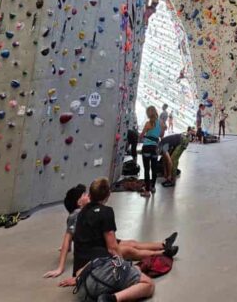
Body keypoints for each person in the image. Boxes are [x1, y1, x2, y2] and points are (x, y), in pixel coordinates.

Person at [44, 183, 178, 279]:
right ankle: (163, 253)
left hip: (100, 241)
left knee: (131, 243)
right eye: (84, 195)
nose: (87, 195)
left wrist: (66, 250)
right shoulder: (75, 215)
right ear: (79, 202)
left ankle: (163, 244)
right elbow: (67, 239)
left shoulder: (88, 209)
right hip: (97, 249)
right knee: (130, 250)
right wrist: (60, 268)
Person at [56, 178, 156, 301]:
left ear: (90, 195)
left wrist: (76, 276)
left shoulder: (80, 215)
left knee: (131, 247)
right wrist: (126, 267)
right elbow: (113, 248)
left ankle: (162, 248)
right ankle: (113, 299)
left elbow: (77, 247)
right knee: (148, 284)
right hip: (99, 272)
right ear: (108, 194)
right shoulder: (106, 212)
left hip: (84, 282)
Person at [140, 106, 161, 197]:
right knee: (154, 169)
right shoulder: (160, 123)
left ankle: (147, 191)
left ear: (148, 114)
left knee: (147, 169)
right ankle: (153, 187)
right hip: (155, 148)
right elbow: (161, 133)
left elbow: (141, 135)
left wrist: (141, 137)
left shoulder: (148, 124)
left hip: (147, 148)